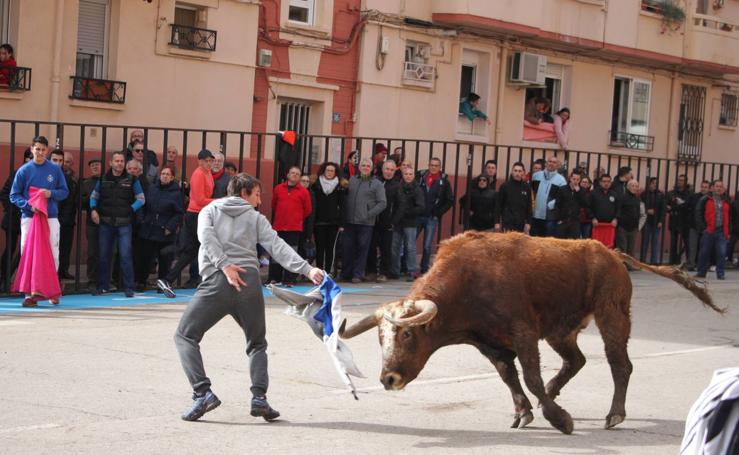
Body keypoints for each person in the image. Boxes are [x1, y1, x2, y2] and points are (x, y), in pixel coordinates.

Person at [173, 173, 324, 422]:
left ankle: (202, 393)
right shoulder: (255, 218)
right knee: (257, 343)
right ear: (243, 193)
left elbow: (206, 239)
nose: (259, 200)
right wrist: (308, 269)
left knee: (185, 335)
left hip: (218, 282)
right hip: (249, 282)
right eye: (256, 194)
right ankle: (259, 398)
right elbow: (277, 246)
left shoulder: (209, 210)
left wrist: (223, 265)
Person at [10, 136, 69, 306]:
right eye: (38, 149)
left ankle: (52, 291)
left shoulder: (55, 170)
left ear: (47, 150)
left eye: (44, 149)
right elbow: (14, 195)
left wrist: (51, 194)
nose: (41, 152)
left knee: (53, 254)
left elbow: (64, 191)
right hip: (29, 218)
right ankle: (29, 294)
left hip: (50, 217)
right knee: (28, 254)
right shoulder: (23, 171)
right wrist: (29, 205)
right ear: (32, 149)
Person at [158, 149, 215, 297]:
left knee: (192, 250)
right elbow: (200, 199)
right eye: (206, 161)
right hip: (195, 215)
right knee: (206, 246)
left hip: (202, 214)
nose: (209, 163)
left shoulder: (208, 174)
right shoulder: (198, 174)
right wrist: (221, 201)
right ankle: (209, 281)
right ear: (199, 161)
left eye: (211, 160)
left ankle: (168, 278)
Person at [89, 151, 145, 297]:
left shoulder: (132, 179)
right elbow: (93, 196)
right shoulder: (102, 179)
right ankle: (103, 286)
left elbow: (141, 199)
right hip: (105, 222)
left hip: (124, 223)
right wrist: (94, 210)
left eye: (121, 161)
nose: (119, 163)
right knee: (103, 255)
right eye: (117, 161)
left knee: (125, 255)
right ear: (111, 163)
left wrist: (130, 210)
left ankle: (128, 288)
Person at [137, 167, 183, 292]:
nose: (165, 176)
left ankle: (162, 284)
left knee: (165, 260)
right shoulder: (151, 188)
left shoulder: (176, 193)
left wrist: (170, 227)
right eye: (163, 173)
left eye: (168, 174)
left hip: (165, 231)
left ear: (172, 177)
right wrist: (142, 219)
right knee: (145, 258)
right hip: (149, 229)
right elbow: (143, 205)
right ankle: (141, 282)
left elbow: (179, 213)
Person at [341, 158, 386, 283]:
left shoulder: (377, 184)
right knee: (347, 248)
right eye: (363, 165)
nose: (365, 167)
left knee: (362, 249)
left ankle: (357, 274)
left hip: (366, 223)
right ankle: (346, 274)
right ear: (359, 167)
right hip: (350, 221)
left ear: (372, 169)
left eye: (368, 166)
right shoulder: (352, 180)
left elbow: (382, 203)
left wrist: (369, 214)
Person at [268, 166, 312, 287]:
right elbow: (274, 204)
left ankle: (289, 279)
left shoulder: (304, 192)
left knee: (291, 253)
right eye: (292, 173)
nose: (294, 175)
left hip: (294, 228)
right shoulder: (278, 188)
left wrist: (296, 218)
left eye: (297, 174)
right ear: (287, 175)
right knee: (276, 253)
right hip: (279, 226)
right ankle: (274, 278)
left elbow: (308, 210)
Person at [0, 149, 33, 291]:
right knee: (10, 248)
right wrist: (10, 209)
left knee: (24, 250)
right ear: (25, 159)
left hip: (29, 217)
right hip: (13, 218)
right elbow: (5, 193)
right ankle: (3, 277)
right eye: (29, 157)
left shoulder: (38, 174)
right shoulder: (17, 173)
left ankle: (12, 277)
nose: (31, 160)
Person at [416, 157, 454, 273]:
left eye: (436, 165)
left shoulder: (444, 182)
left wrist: (438, 213)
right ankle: (407, 267)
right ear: (428, 165)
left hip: (432, 217)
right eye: (432, 165)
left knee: (427, 245)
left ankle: (424, 268)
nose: (433, 167)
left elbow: (449, 200)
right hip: (418, 215)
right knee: (411, 241)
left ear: (439, 167)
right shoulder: (421, 178)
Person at [367, 160, 400, 281]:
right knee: (371, 247)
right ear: (382, 169)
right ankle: (370, 271)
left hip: (387, 223)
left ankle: (384, 273)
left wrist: (393, 221)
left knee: (386, 249)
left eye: (392, 170)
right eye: (387, 169)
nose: (389, 172)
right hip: (372, 221)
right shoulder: (374, 181)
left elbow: (400, 206)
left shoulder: (397, 185)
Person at [311, 162, 344, 275]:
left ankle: (329, 271)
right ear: (323, 171)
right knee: (320, 248)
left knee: (330, 248)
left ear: (335, 173)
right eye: (327, 170)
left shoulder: (340, 186)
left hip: (333, 222)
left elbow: (343, 205)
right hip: (319, 221)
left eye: (332, 171)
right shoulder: (315, 184)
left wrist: (341, 223)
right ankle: (319, 271)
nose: (329, 173)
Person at [391, 166, 424, 281]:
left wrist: (408, 212)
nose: (408, 176)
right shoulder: (398, 187)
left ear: (413, 176)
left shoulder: (417, 189)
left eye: (410, 174)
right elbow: (394, 204)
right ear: (402, 175)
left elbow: (421, 207)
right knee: (395, 246)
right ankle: (395, 271)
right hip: (398, 221)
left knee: (410, 247)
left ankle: (411, 271)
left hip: (410, 221)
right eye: (406, 174)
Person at [695, 180, 731, 280]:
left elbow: (730, 216)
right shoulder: (705, 199)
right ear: (712, 188)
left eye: (721, 186)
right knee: (704, 252)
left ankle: (720, 273)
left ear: (723, 189)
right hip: (709, 230)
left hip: (721, 231)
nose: (719, 188)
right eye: (717, 186)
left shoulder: (727, 200)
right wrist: (703, 228)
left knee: (722, 252)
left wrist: (729, 230)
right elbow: (698, 213)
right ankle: (701, 272)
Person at [55, 151, 79, 280]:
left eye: (68, 162)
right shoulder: (54, 176)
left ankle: (63, 270)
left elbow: (72, 200)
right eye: (64, 161)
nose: (65, 164)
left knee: (66, 247)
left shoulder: (74, 178)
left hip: (68, 219)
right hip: (55, 217)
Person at [530, 155, 566, 237]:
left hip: (550, 217)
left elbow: (563, 197)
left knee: (547, 242)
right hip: (535, 215)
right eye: (550, 161)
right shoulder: (536, 176)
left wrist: (551, 205)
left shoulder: (561, 180)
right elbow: (531, 192)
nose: (551, 164)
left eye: (554, 162)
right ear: (546, 163)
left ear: (557, 165)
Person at [81, 158, 102, 291]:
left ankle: (106, 278)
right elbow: (81, 203)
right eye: (92, 165)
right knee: (92, 252)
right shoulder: (86, 183)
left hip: (107, 221)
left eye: (97, 165)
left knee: (108, 251)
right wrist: (91, 198)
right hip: (91, 222)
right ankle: (92, 279)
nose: (94, 167)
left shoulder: (107, 181)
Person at [494, 162, 531, 233]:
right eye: (515, 170)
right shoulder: (505, 186)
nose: (517, 173)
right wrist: (497, 222)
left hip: (521, 223)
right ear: (512, 172)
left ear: (523, 172)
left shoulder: (526, 187)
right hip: (508, 222)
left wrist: (528, 223)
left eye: (520, 171)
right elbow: (498, 205)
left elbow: (529, 206)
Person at [667, 174, 693, 266]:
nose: (679, 182)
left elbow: (688, 206)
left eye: (682, 180)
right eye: (678, 180)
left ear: (685, 182)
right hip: (674, 219)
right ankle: (673, 261)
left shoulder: (689, 193)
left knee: (687, 242)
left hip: (685, 220)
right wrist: (672, 207)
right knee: (673, 242)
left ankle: (689, 261)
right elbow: (667, 205)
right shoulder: (672, 193)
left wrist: (676, 206)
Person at [589, 174, 620, 248]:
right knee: (596, 248)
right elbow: (588, 207)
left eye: (608, 181)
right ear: (600, 182)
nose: (606, 183)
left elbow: (618, 208)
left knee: (608, 248)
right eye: (604, 181)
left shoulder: (615, 194)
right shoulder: (593, 193)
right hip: (597, 225)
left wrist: (616, 219)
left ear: (611, 183)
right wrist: (593, 218)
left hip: (610, 226)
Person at [640, 177, 666, 264]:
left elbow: (663, 209)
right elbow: (640, 206)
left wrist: (661, 221)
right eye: (653, 183)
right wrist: (647, 210)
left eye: (656, 183)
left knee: (655, 242)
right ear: (649, 184)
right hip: (646, 220)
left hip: (656, 221)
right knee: (645, 241)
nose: (655, 185)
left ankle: (654, 261)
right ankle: (642, 260)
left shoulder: (660, 195)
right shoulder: (644, 194)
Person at [687, 180, 710, 271]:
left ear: (709, 188)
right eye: (702, 186)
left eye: (705, 187)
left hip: (706, 226)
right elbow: (689, 207)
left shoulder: (710, 199)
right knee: (693, 246)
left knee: (704, 247)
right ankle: (691, 264)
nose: (703, 188)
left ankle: (701, 265)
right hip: (694, 225)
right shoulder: (694, 196)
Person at [616, 179, 641, 261]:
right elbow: (618, 210)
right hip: (623, 227)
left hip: (633, 227)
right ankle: (623, 265)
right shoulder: (622, 197)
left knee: (631, 248)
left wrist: (637, 226)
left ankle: (630, 265)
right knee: (623, 248)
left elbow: (638, 212)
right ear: (628, 187)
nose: (634, 188)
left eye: (636, 186)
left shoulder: (637, 199)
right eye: (632, 186)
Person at [555, 171, 584, 239]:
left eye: (577, 179)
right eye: (574, 179)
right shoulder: (563, 189)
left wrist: (578, 192)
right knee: (560, 242)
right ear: (570, 179)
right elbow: (557, 204)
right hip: (563, 220)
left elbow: (585, 203)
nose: (575, 181)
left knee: (574, 243)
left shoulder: (582, 190)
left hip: (575, 221)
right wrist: (558, 219)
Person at [729, 190, 739, 267]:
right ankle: (729, 259)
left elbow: (731, 217)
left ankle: (729, 259)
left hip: (735, 227)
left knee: (731, 244)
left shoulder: (733, 203)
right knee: (731, 244)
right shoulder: (734, 204)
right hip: (735, 228)